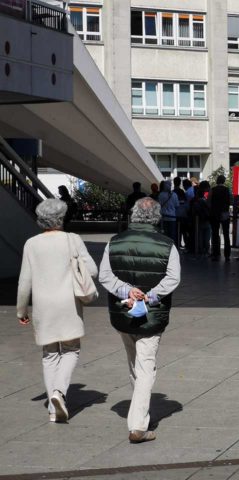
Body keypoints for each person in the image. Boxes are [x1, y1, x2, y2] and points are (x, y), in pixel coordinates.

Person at [99, 197, 181, 443]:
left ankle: (139, 412)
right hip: (152, 314)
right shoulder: (168, 245)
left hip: (123, 312)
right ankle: (138, 425)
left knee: (134, 363)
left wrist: (126, 291)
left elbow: (105, 275)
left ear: (133, 215)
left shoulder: (114, 242)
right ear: (157, 217)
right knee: (146, 367)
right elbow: (172, 278)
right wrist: (150, 296)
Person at [17, 199, 98, 423]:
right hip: (68, 303)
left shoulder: (31, 244)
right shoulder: (72, 240)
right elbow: (92, 270)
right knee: (71, 349)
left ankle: (54, 410)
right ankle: (59, 393)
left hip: (43, 305)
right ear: (61, 218)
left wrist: (21, 310)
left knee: (49, 354)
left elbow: (25, 282)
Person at [208, 175, 232, 261]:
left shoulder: (212, 190)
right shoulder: (227, 190)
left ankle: (216, 254)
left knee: (215, 234)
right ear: (224, 181)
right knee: (226, 235)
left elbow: (209, 202)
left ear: (217, 181)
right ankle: (227, 255)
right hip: (225, 214)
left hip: (214, 214)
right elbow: (230, 201)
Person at [157, 180, 179, 246]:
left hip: (163, 218)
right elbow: (177, 205)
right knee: (172, 234)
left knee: (164, 234)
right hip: (172, 218)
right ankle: (172, 247)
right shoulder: (174, 195)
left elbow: (158, 205)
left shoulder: (161, 195)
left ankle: (164, 247)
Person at [192, 181, 211, 255]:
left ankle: (200, 249)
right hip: (206, 220)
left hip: (198, 221)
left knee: (200, 235)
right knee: (207, 236)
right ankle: (206, 249)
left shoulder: (194, 201)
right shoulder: (205, 201)